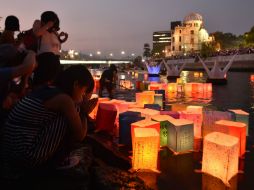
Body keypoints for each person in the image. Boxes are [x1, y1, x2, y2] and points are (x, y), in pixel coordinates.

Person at [0, 64, 94, 180]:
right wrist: (84, 112)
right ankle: (54, 163)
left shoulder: (47, 90)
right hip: (24, 155)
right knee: (68, 115)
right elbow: (80, 135)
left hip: (10, 150)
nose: (83, 96)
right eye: (83, 91)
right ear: (76, 85)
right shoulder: (64, 100)